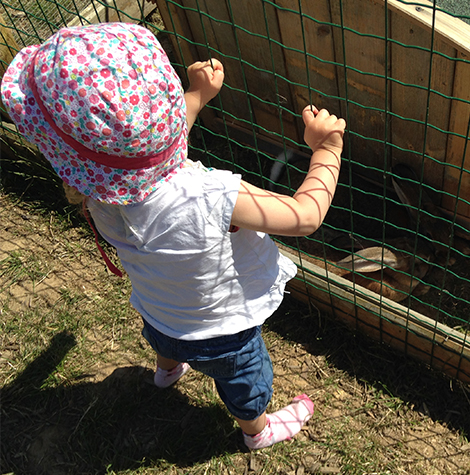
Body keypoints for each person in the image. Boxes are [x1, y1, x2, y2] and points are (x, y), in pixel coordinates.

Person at [1, 23, 345, 450]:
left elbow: (134, 155)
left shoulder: (94, 193)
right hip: (223, 331)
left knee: (168, 341)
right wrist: (327, 147)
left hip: (159, 313)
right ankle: (256, 431)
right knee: (245, 380)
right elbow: (305, 214)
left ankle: (166, 371)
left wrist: (197, 98)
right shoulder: (213, 196)